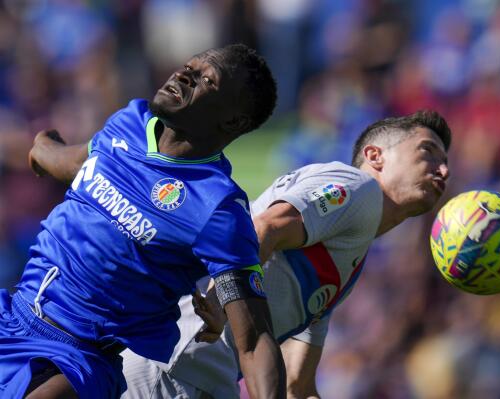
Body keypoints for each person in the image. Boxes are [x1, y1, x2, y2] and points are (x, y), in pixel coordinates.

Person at [0, 44, 286, 399]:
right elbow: (78, 164)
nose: (183, 75)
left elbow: (255, 340)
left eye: (206, 80)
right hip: (13, 316)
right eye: (188, 67)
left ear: (232, 120)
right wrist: (44, 148)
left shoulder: (218, 208)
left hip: (77, 360)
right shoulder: (129, 123)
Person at [115, 110, 452, 398]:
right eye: (428, 152)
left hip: (195, 373)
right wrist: (217, 302)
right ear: (375, 156)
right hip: (178, 363)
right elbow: (265, 229)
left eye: (445, 162)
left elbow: (297, 382)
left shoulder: (350, 251)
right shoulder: (358, 189)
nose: (443, 171)